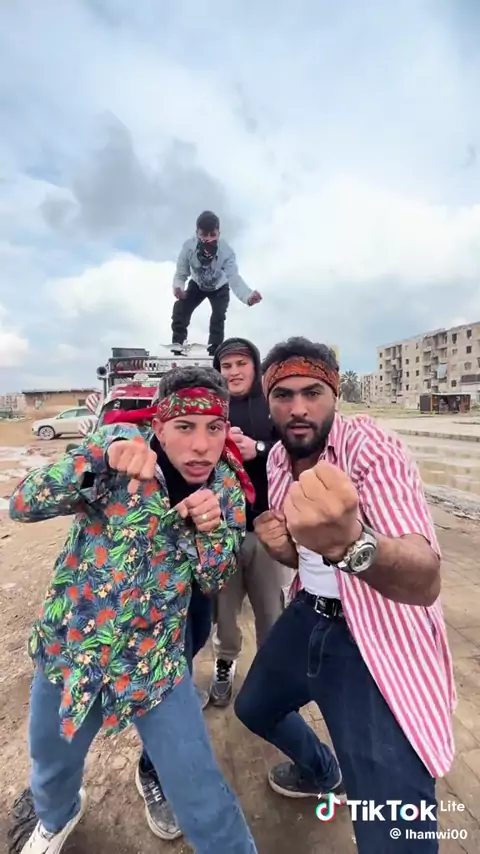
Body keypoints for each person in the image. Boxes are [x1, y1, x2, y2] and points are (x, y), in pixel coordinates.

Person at [9, 366, 258, 854]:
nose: (202, 446)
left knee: (200, 793)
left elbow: (215, 579)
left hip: (153, 663)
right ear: (159, 425)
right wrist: (99, 461)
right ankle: (57, 817)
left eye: (214, 428)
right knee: (52, 764)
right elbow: (23, 503)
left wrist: (208, 534)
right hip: (71, 648)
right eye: (184, 427)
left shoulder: (227, 488)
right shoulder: (117, 449)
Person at [234, 337, 455, 854]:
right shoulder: (277, 461)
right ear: (269, 402)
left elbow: (425, 579)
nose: (298, 408)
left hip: (377, 633)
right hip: (308, 614)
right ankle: (321, 770)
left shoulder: (369, 448)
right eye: (283, 395)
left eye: (312, 392)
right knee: (254, 708)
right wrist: (285, 550)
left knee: (395, 834)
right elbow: (306, 559)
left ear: (334, 393)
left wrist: (352, 545)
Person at [208, 337, 293, 706]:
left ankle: (271, 676)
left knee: (271, 611)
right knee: (224, 614)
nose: (234, 372)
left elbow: (297, 450)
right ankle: (224, 663)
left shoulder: (274, 405)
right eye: (226, 366)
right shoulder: (212, 408)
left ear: (255, 367)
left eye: (241, 363)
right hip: (222, 532)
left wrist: (256, 449)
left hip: (267, 530)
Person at [171, 210, 262, 356]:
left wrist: (248, 296)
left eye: (212, 235)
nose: (208, 239)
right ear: (197, 233)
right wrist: (178, 288)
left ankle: (214, 351)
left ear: (218, 233)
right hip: (197, 285)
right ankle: (178, 347)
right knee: (180, 309)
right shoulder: (188, 248)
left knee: (218, 316)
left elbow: (234, 278)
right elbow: (181, 273)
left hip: (220, 287)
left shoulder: (226, 252)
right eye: (203, 235)